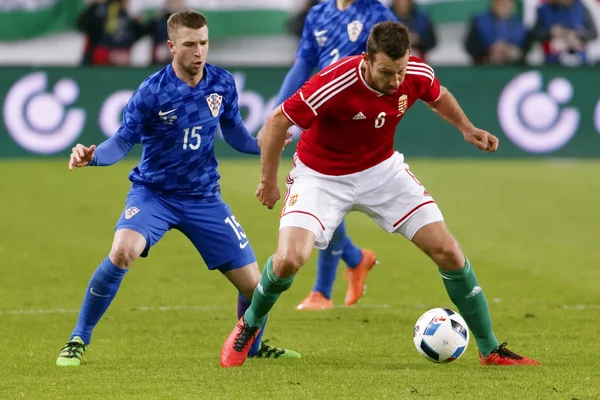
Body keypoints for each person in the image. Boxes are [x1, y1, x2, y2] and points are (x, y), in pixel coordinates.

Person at [221, 21, 541, 368]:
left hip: (381, 172)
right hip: (321, 176)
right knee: (287, 261)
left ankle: (490, 348)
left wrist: (467, 128)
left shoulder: (414, 72)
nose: (395, 82)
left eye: (400, 71)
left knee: (448, 251)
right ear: (368, 59)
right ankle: (249, 326)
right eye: (387, 72)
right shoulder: (334, 82)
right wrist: (268, 181)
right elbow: (276, 121)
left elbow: (438, 95)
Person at [56, 10, 299, 367]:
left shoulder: (222, 83)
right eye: (189, 44)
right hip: (154, 194)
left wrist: (268, 144)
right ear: (171, 46)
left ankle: (253, 345)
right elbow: (121, 143)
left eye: (203, 42)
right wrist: (92, 156)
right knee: (123, 251)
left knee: (254, 287)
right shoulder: (151, 92)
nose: (198, 51)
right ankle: (79, 338)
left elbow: (234, 134)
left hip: (204, 198)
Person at [274, 0, 398, 312]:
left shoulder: (377, 14)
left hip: (358, 119)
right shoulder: (318, 13)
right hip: (325, 109)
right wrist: (279, 111)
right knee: (320, 192)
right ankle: (355, 261)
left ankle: (322, 291)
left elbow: (398, 67)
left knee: (327, 189)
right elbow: (303, 64)